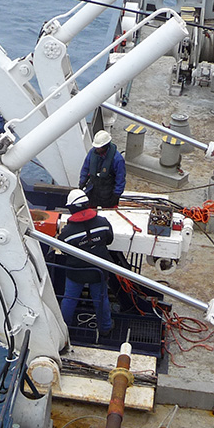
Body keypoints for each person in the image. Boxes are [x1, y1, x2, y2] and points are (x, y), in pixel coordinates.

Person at [57, 188, 115, 336]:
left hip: (77, 273)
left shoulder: (67, 233)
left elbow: (64, 251)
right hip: (99, 271)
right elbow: (109, 239)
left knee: (69, 299)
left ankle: (63, 330)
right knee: (101, 299)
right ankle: (105, 328)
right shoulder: (103, 223)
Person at [79, 130, 126, 208]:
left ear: (105, 146)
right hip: (93, 189)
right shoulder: (92, 153)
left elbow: (120, 178)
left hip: (108, 192)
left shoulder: (117, 159)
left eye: (99, 147)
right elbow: (85, 168)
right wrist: (82, 183)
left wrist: (116, 195)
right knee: (90, 210)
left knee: (109, 213)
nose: (97, 149)